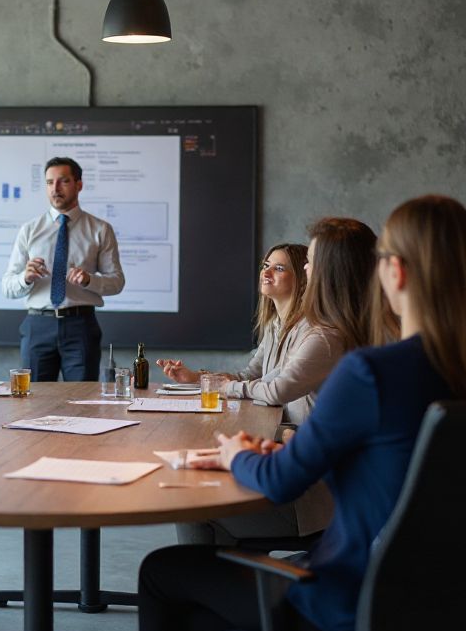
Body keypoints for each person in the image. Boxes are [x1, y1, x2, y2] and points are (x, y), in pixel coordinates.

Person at [137, 195, 466, 631]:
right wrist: (298, 451)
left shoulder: (372, 371)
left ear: (396, 270)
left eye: (306, 264)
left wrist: (237, 455)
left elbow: (285, 483)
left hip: (354, 601)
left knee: (161, 575)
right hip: (449, 607)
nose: (307, 273)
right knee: (197, 628)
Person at [160, 220, 377, 545]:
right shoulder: (306, 330)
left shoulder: (325, 336)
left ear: (324, 273)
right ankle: (228, 586)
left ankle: (216, 590)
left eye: (309, 262)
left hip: (311, 503)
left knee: (195, 505)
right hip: (302, 474)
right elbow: (258, 379)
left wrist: (223, 391)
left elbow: (276, 390)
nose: (305, 268)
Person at [1, 156, 125, 381]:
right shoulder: (29, 230)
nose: (55, 189)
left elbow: (116, 282)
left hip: (80, 325)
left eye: (63, 181)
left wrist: (89, 280)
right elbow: (7, 287)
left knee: (82, 402)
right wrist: (25, 279)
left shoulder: (100, 229)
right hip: (38, 325)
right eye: (49, 182)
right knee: (33, 403)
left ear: (79, 185)